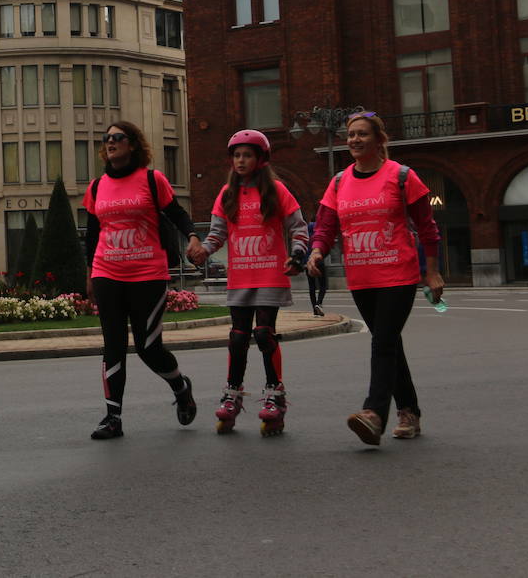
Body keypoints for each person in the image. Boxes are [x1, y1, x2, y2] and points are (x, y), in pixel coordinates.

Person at [306, 112, 445, 446]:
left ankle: (374, 414)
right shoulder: (339, 182)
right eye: (350, 134)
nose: (354, 140)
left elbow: (427, 228)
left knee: (382, 341)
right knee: (390, 343)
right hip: (362, 275)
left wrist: (433, 271)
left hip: (398, 273)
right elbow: (326, 225)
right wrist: (316, 251)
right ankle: (409, 412)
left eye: (362, 134)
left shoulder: (401, 176)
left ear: (379, 139)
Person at [82, 121, 202, 439]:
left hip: (148, 273)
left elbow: (176, 212)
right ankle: (113, 418)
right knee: (113, 346)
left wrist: (192, 236)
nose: (111, 142)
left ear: (132, 144)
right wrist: (90, 273)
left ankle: (180, 387)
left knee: (148, 347)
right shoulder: (96, 187)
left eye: (117, 138)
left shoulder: (151, 180)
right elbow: (93, 235)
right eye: (106, 138)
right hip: (107, 273)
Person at [187, 130, 308, 436]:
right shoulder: (227, 193)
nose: (241, 161)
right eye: (237, 155)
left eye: (247, 155)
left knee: (264, 334)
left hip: (270, 274)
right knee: (238, 337)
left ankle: (274, 395)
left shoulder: (277, 190)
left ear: (260, 159)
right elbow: (217, 234)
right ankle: (231, 394)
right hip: (241, 275)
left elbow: (299, 227)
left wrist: (297, 254)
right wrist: (203, 250)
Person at [305, 220, 328, 315]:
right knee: (323, 284)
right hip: (319, 261)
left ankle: (314, 308)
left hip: (308, 262)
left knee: (312, 286)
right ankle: (319, 303)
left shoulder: (306, 237)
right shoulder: (317, 236)